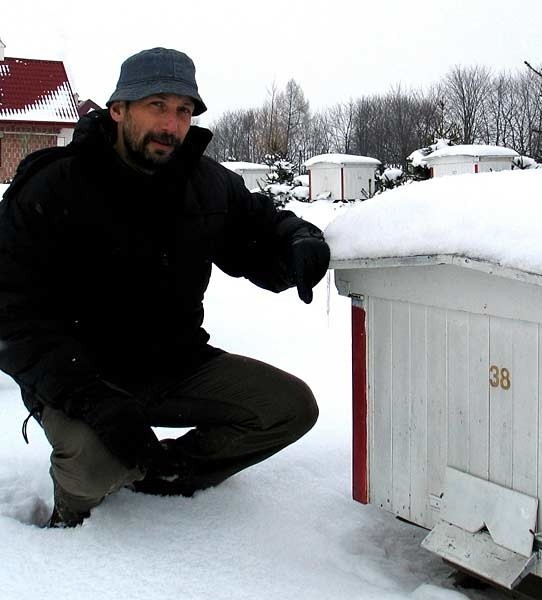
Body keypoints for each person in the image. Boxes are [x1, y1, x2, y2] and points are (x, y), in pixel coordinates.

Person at [0, 48, 330, 527]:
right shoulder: (53, 186)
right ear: (118, 110)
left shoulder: (204, 183)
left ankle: (162, 474)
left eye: (183, 110)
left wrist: (298, 240)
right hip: (77, 374)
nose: (171, 125)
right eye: (157, 105)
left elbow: (258, 227)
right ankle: (73, 522)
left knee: (287, 408)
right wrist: (95, 400)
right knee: (95, 464)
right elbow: (10, 314)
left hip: (173, 365)